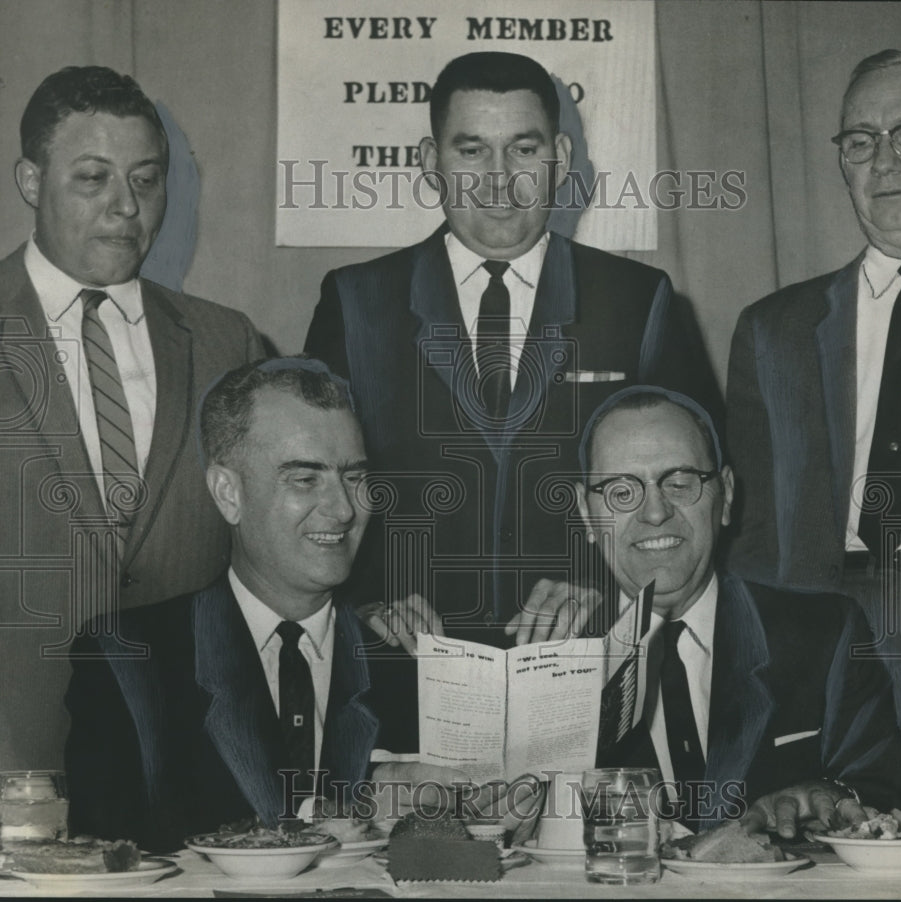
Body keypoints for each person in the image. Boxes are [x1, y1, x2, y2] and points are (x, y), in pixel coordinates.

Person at [305, 51, 722, 650]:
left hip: (587, 656)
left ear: (561, 161)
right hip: (401, 661)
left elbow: (693, 491)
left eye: (524, 150)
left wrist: (603, 587)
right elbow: (313, 485)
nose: (499, 179)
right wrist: (369, 594)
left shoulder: (636, 300)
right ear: (431, 162)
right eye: (471, 151)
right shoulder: (355, 301)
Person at [65, 359, 498, 853]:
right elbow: (102, 863)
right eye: (304, 479)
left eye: (355, 477)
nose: (344, 509)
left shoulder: (416, 658)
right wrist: (357, 804)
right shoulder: (129, 660)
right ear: (228, 493)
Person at [725, 50, 901, 837]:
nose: (884, 162)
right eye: (859, 142)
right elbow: (751, 541)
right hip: (833, 654)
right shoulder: (774, 330)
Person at [0, 65, 264, 770]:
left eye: (146, 180)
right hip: (16, 758)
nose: (126, 206)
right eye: (93, 178)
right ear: (30, 182)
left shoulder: (225, 342)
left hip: (190, 759)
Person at [577, 387, 901, 836]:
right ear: (586, 512)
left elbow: (892, 802)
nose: (655, 512)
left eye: (680, 482)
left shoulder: (823, 634)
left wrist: (827, 795)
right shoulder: (546, 655)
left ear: (727, 495)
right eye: (621, 491)